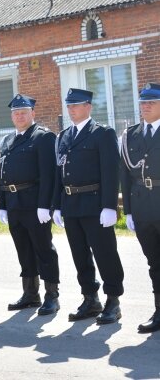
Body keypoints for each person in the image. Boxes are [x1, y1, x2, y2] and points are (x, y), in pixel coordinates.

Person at [53, 88, 124, 324]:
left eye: (76, 105)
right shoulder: (64, 136)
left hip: (95, 203)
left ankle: (113, 300)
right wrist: (57, 205)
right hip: (71, 204)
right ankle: (90, 298)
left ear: (88, 107)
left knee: (105, 253)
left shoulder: (102, 134)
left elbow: (111, 171)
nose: (71, 110)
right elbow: (59, 173)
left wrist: (109, 206)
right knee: (79, 255)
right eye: (69, 106)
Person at [0, 94, 60, 315]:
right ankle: (30, 293)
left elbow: (48, 174)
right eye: (15, 113)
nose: (19, 116)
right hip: (14, 203)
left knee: (44, 249)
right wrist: (1, 203)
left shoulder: (43, 137)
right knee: (23, 249)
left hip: (34, 204)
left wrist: (45, 205)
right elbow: (3, 174)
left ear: (33, 113)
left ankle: (52, 295)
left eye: (23, 112)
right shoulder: (7, 141)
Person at [120, 83, 160, 332]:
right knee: (154, 263)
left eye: (151, 103)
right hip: (143, 206)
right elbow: (125, 173)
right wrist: (129, 211)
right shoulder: (131, 135)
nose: (145, 107)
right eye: (143, 103)